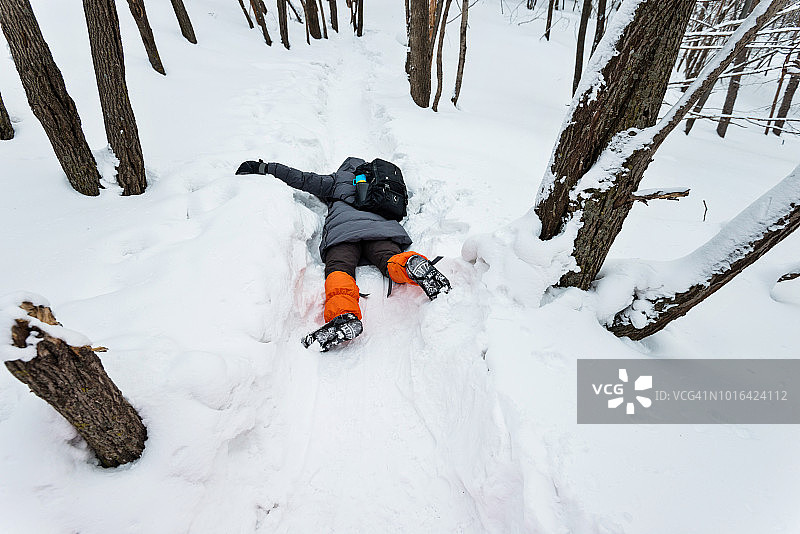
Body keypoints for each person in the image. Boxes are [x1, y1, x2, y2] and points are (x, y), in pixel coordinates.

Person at [236, 156, 451, 351]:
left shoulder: (337, 181)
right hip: (382, 231)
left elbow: (299, 178)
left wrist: (263, 167)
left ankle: (344, 315)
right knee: (389, 260)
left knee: (339, 268)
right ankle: (411, 264)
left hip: (343, 233)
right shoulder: (381, 186)